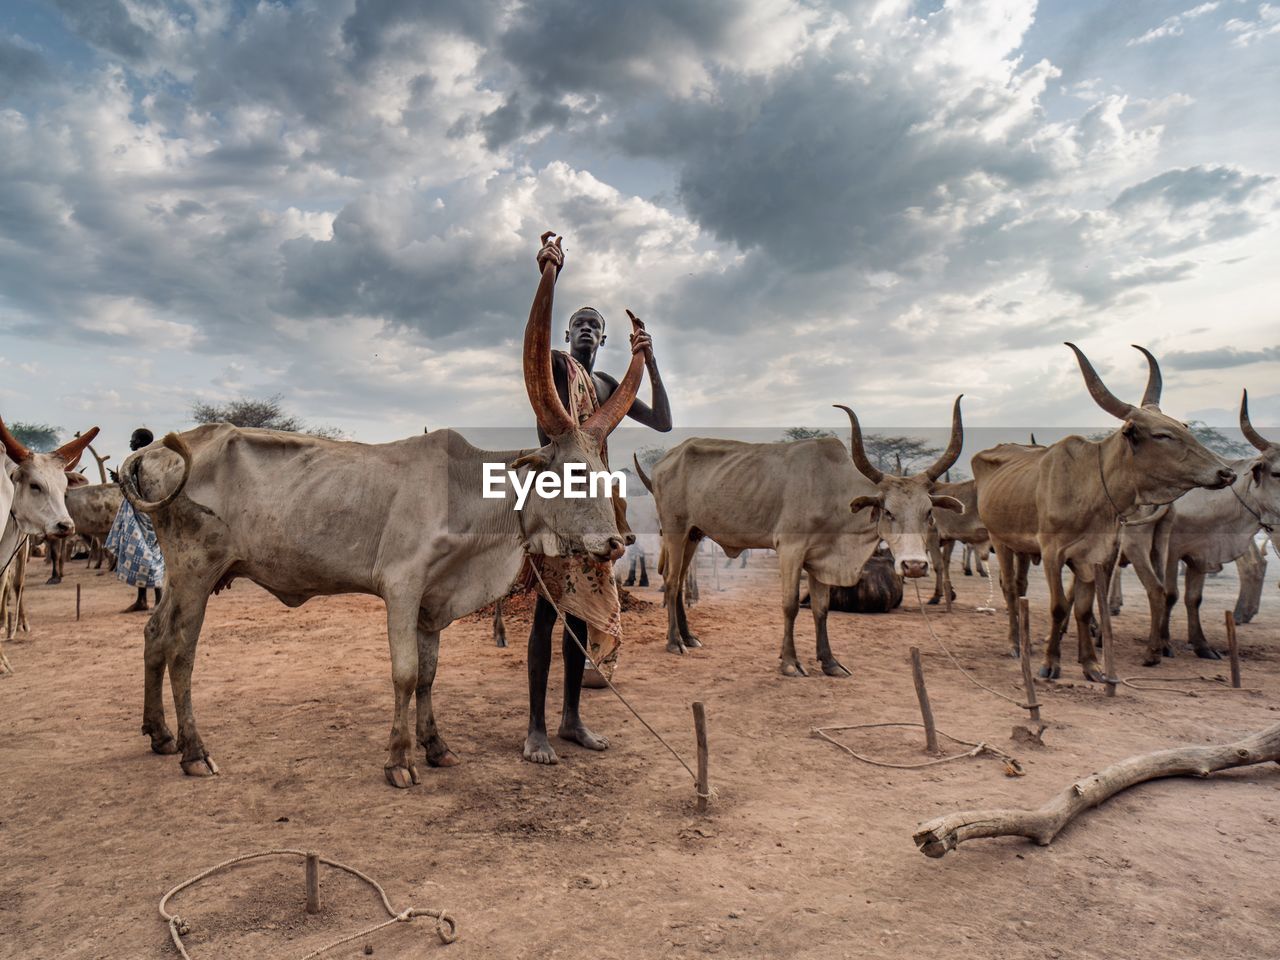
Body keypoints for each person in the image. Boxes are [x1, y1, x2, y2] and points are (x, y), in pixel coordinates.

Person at [524, 237, 672, 765]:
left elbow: (662, 421)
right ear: (567, 334)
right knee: (546, 612)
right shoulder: (557, 366)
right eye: (579, 322)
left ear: (603, 338)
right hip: (556, 497)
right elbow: (537, 363)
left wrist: (647, 360)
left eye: (595, 325)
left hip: (595, 503)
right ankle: (536, 728)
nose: (586, 328)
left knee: (578, 614)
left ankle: (570, 719)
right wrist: (549, 275)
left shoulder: (608, 382)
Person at [106, 428, 165, 612]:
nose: (130, 443)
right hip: (139, 513)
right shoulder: (139, 460)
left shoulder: (148, 461)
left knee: (149, 557)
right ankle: (141, 600)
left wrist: (122, 480)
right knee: (140, 557)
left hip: (147, 513)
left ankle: (159, 601)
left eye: (133, 440)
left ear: (141, 442)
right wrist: (120, 479)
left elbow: (144, 486)